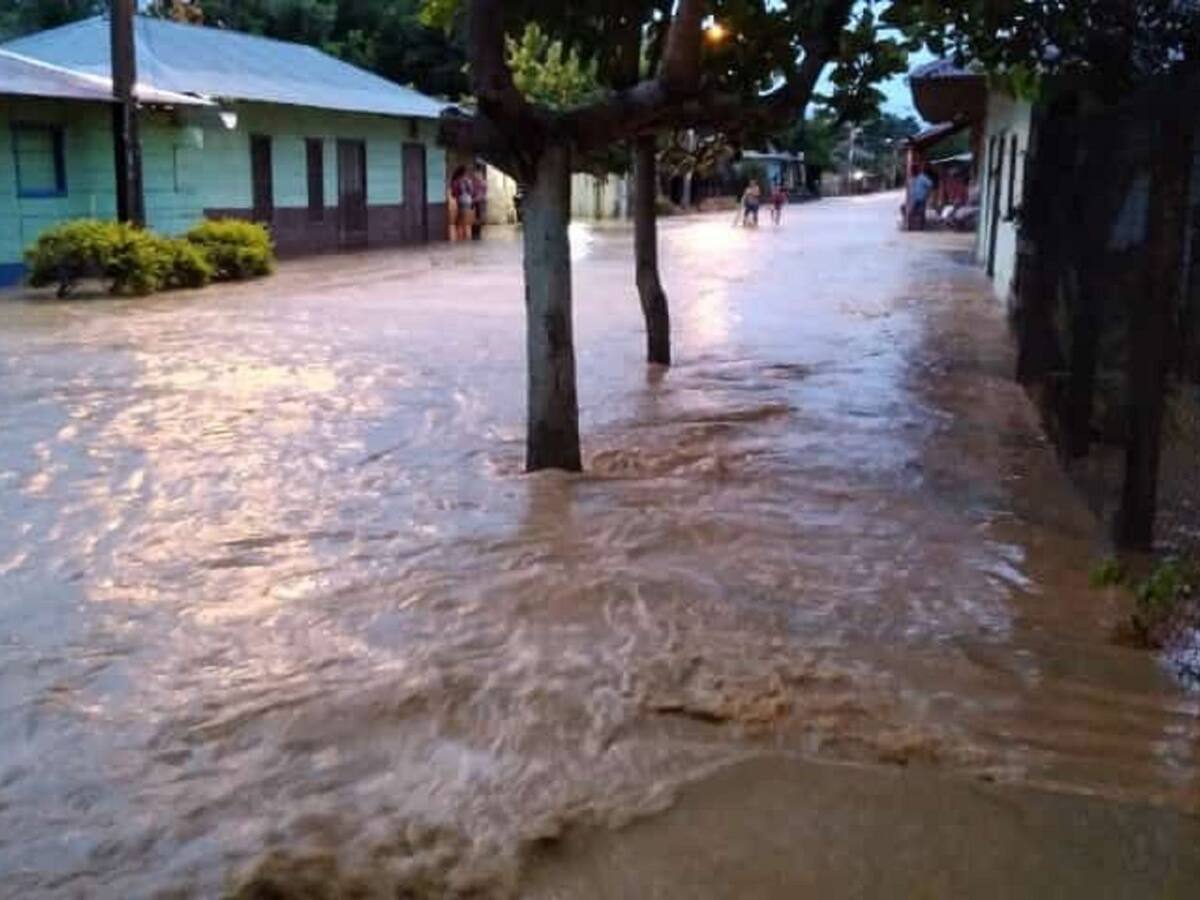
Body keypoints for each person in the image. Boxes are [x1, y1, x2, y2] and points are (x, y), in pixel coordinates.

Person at [449, 166, 475, 240]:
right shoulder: (461, 181)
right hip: (465, 202)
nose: (467, 175)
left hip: (463, 202)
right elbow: (471, 192)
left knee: (462, 221)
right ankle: (464, 238)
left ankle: (462, 238)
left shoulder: (459, 181)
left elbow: (454, 194)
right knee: (464, 221)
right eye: (466, 173)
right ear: (463, 173)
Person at [909, 165, 934, 231]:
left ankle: (921, 227)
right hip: (915, 198)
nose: (912, 172)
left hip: (921, 198)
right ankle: (911, 226)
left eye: (913, 170)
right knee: (912, 212)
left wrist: (927, 192)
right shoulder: (912, 178)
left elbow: (930, 184)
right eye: (912, 171)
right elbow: (911, 188)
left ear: (917, 170)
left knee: (921, 212)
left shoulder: (922, 177)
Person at [470, 163, 488, 240]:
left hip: (478, 200)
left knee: (478, 217)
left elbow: (481, 191)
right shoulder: (479, 180)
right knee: (478, 217)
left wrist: (474, 198)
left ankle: (476, 233)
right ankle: (476, 233)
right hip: (478, 200)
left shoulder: (479, 180)